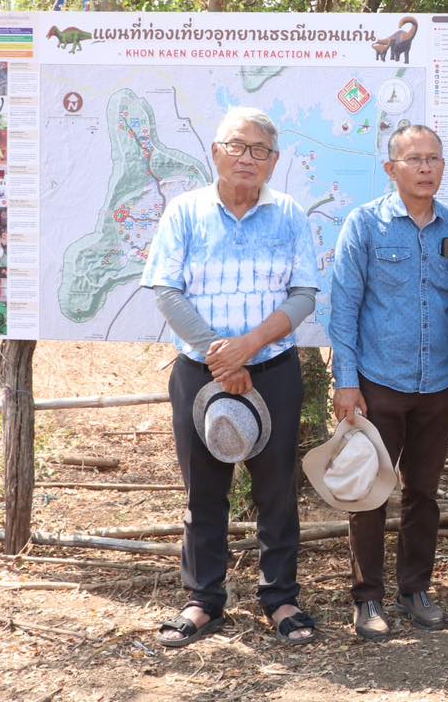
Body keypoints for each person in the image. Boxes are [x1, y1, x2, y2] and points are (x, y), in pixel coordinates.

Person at [140, 107, 320, 647]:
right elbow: (166, 289)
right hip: (200, 373)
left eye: (260, 150)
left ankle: (280, 598)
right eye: (237, 147)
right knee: (204, 490)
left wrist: (248, 348)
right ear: (215, 152)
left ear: (274, 162)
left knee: (277, 488)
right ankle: (203, 600)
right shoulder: (185, 211)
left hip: (274, 371)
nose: (247, 158)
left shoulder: (289, 213)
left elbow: (304, 294)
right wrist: (220, 356)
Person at [328, 123, 448, 640]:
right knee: (369, 492)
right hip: (376, 386)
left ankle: (415, 588)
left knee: (424, 493)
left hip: (437, 386)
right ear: (391, 169)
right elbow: (343, 308)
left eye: (434, 159)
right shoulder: (364, 225)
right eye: (414, 160)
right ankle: (367, 598)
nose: (426, 168)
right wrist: (346, 382)